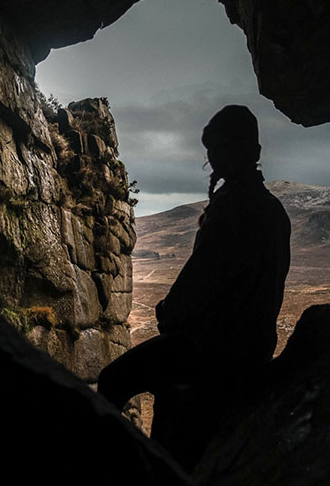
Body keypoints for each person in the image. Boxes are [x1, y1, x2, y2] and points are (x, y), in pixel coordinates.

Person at [97, 105, 291, 465]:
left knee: (112, 381)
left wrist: (168, 313)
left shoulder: (233, 207)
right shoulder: (273, 210)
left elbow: (200, 281)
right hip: (253, 350)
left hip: (210, 351)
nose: (214, 161)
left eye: (216, 152)